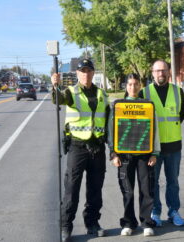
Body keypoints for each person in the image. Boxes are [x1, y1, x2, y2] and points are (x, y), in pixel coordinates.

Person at [51, 59, 110, 241]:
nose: (85, 74)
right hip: (77, 147)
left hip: (97, 147)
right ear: (77, 74)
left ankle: (92, 222)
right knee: (72, 188)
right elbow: (57, 99)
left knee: (95, 189)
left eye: (88, 71)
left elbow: (108, 119)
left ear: (93, 73)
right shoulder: (71, 92)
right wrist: (55, 86)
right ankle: (66, 226)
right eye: (82, 71)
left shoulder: (102, 94)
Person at [108, 73, 160, 237]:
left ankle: (146, 223)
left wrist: (155, 153)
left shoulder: (147, 106)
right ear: (126, 86)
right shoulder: (118, 106)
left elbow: (155, 129)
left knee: (146, 190)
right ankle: (128, 223)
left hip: (144, 155)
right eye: (130, 84)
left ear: (140, 86)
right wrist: (113, 154)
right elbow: (111, 131)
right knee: (127, 191)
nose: (133, 87)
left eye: (136, 84)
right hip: (124, 156)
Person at [139, 60, 184, 227]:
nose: (161, 74)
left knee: (173, 182)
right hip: (153, 149)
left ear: (169, 72)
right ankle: (156, 212)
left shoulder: (178, 92)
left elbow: (181, 115)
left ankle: (173, 211)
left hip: (174, 146)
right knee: (154, 182)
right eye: (157, 71)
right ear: (152, 73)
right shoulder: (144, 92)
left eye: (164, 70)